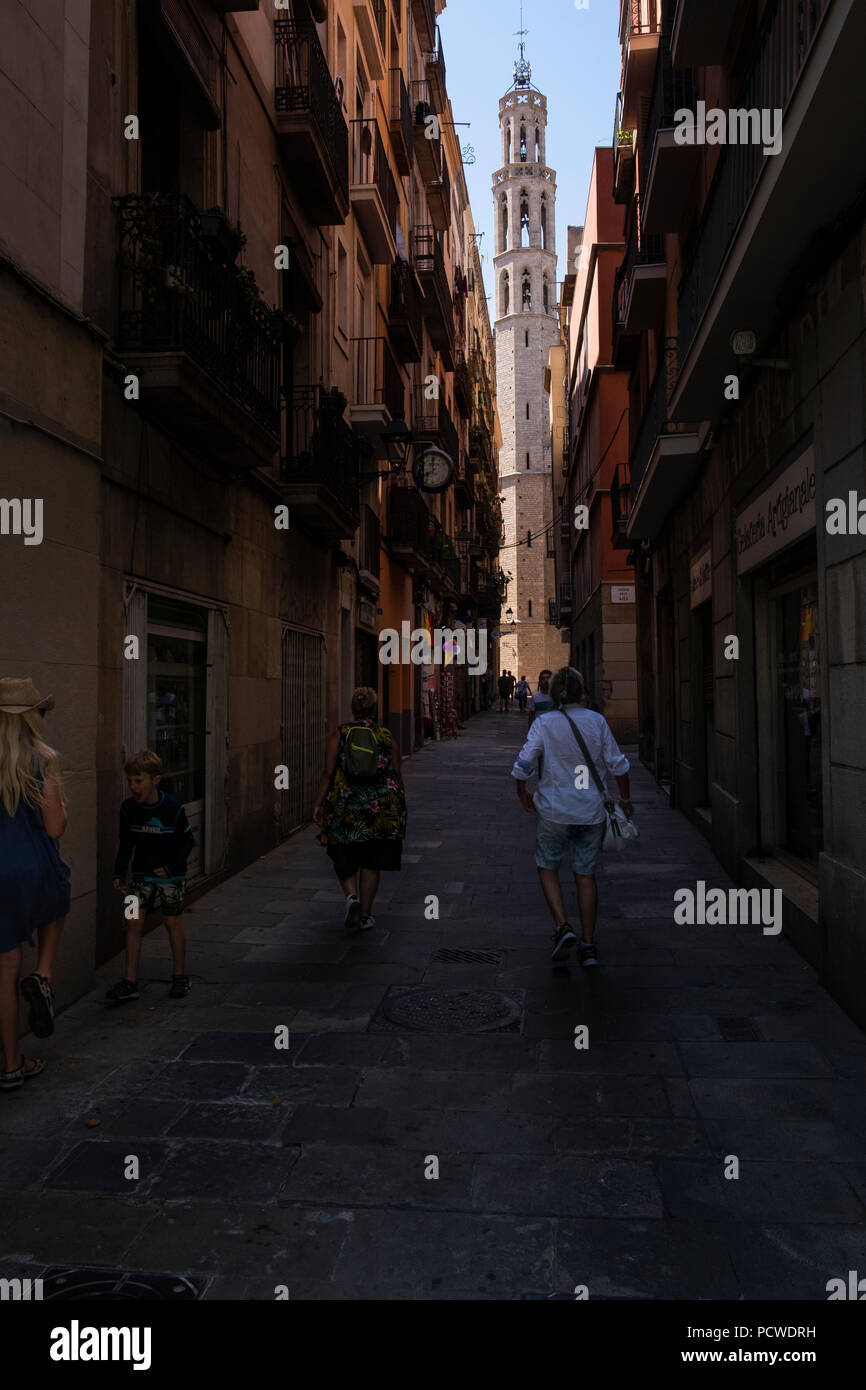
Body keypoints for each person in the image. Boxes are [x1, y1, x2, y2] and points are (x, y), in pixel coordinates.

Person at [511, 666, 633, 968]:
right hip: (591, 812)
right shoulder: (597, 721)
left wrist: (522, 793)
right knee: (585, 874)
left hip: (553, 810)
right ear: (583, 692)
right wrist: (626, 800)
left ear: (553, 694)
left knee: (547, 866)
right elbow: (619, 766)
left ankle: (563, 925)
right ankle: (589, 946)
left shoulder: (545, 723)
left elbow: (524, 763)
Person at [0, 677, 70, 1090]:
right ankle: (43, 976)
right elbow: (55, 826)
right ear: (31, 718)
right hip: (33, 867)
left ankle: (10, 1066)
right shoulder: (44, 759)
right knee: (59, 897)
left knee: (4, 974)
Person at [313, 687, 407, 932]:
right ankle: (365, 916)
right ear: (374, 709)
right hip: (379, 808)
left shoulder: (340, 734)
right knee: (371, 860)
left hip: (346, 805)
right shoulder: (386, 736)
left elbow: (327, 772)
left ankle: (351, 897)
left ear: (353, 708)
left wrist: (318, 802)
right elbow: (397, 773)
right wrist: (401, 804)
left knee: (342, 851)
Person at [108, 750, 195, 1004]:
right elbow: (126, 844)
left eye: (139, 781)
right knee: (133, 923)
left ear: (155, 780)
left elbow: (187, 842)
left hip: (171, 877)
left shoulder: (173, 809)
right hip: (140, 877)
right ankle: (130, 981)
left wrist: (171, 868)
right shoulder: (128, 810)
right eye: (130, 781)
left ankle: (179, 975)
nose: (133, 787)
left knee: (172, 922)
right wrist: (118, 872)